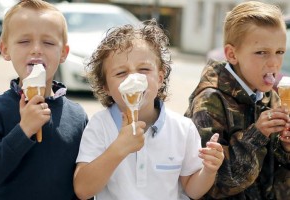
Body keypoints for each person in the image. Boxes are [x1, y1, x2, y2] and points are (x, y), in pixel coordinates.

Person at [73, 19, 224, 200]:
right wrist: (118, 148)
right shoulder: (100, 125)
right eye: (121, 73)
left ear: (160, 78)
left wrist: (209, 170)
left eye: (144, 69)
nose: (134, 78)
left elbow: (193, 190)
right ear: (105, 86)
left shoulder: (183, 129)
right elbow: (83, 190)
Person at [184, 1, 290, 199]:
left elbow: (276, 176)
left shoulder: (271, 98)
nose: (274, 62)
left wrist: (286, 148)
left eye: (280, 52)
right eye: (261, 52)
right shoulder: (209, 102)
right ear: (232, 54)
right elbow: (214, 186)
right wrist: (257, 135)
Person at [0, 0, 88, 199]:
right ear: (5, 49)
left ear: (63, 53)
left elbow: (82, 181)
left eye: (49, 43)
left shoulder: (78, 116)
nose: (36, 49)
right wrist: (24, 130)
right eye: (24, 41)